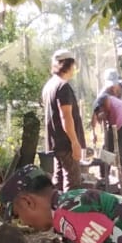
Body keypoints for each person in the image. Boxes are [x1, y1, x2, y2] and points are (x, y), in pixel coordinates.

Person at [41, 49, 86, 191]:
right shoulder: (63, 86)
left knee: (59, 181)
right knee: (73, 183)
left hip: (56, 143)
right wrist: (74, 142)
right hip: (66, 144)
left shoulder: (49, 86)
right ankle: (69, 205)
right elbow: (65, 115)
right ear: (69, 65)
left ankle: (56, 205)